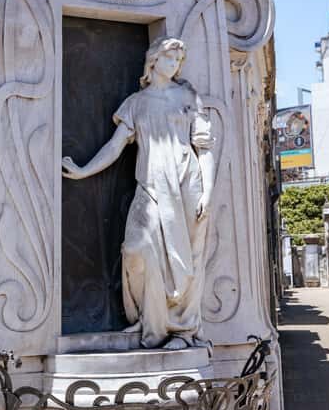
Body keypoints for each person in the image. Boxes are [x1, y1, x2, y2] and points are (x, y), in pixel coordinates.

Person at [61, 38, 216, 350]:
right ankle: (150, 320)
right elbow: (116, 147)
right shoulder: (136, 102)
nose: (174, 65)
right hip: (150, 186)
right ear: (153, 60)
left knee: (185, 261)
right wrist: (83, 170)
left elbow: (204, 148)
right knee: (134, 249)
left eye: (178, 60)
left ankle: (182, 332)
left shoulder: (187, 96)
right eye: (169, 58)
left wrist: (208, 192)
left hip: (187, 185)